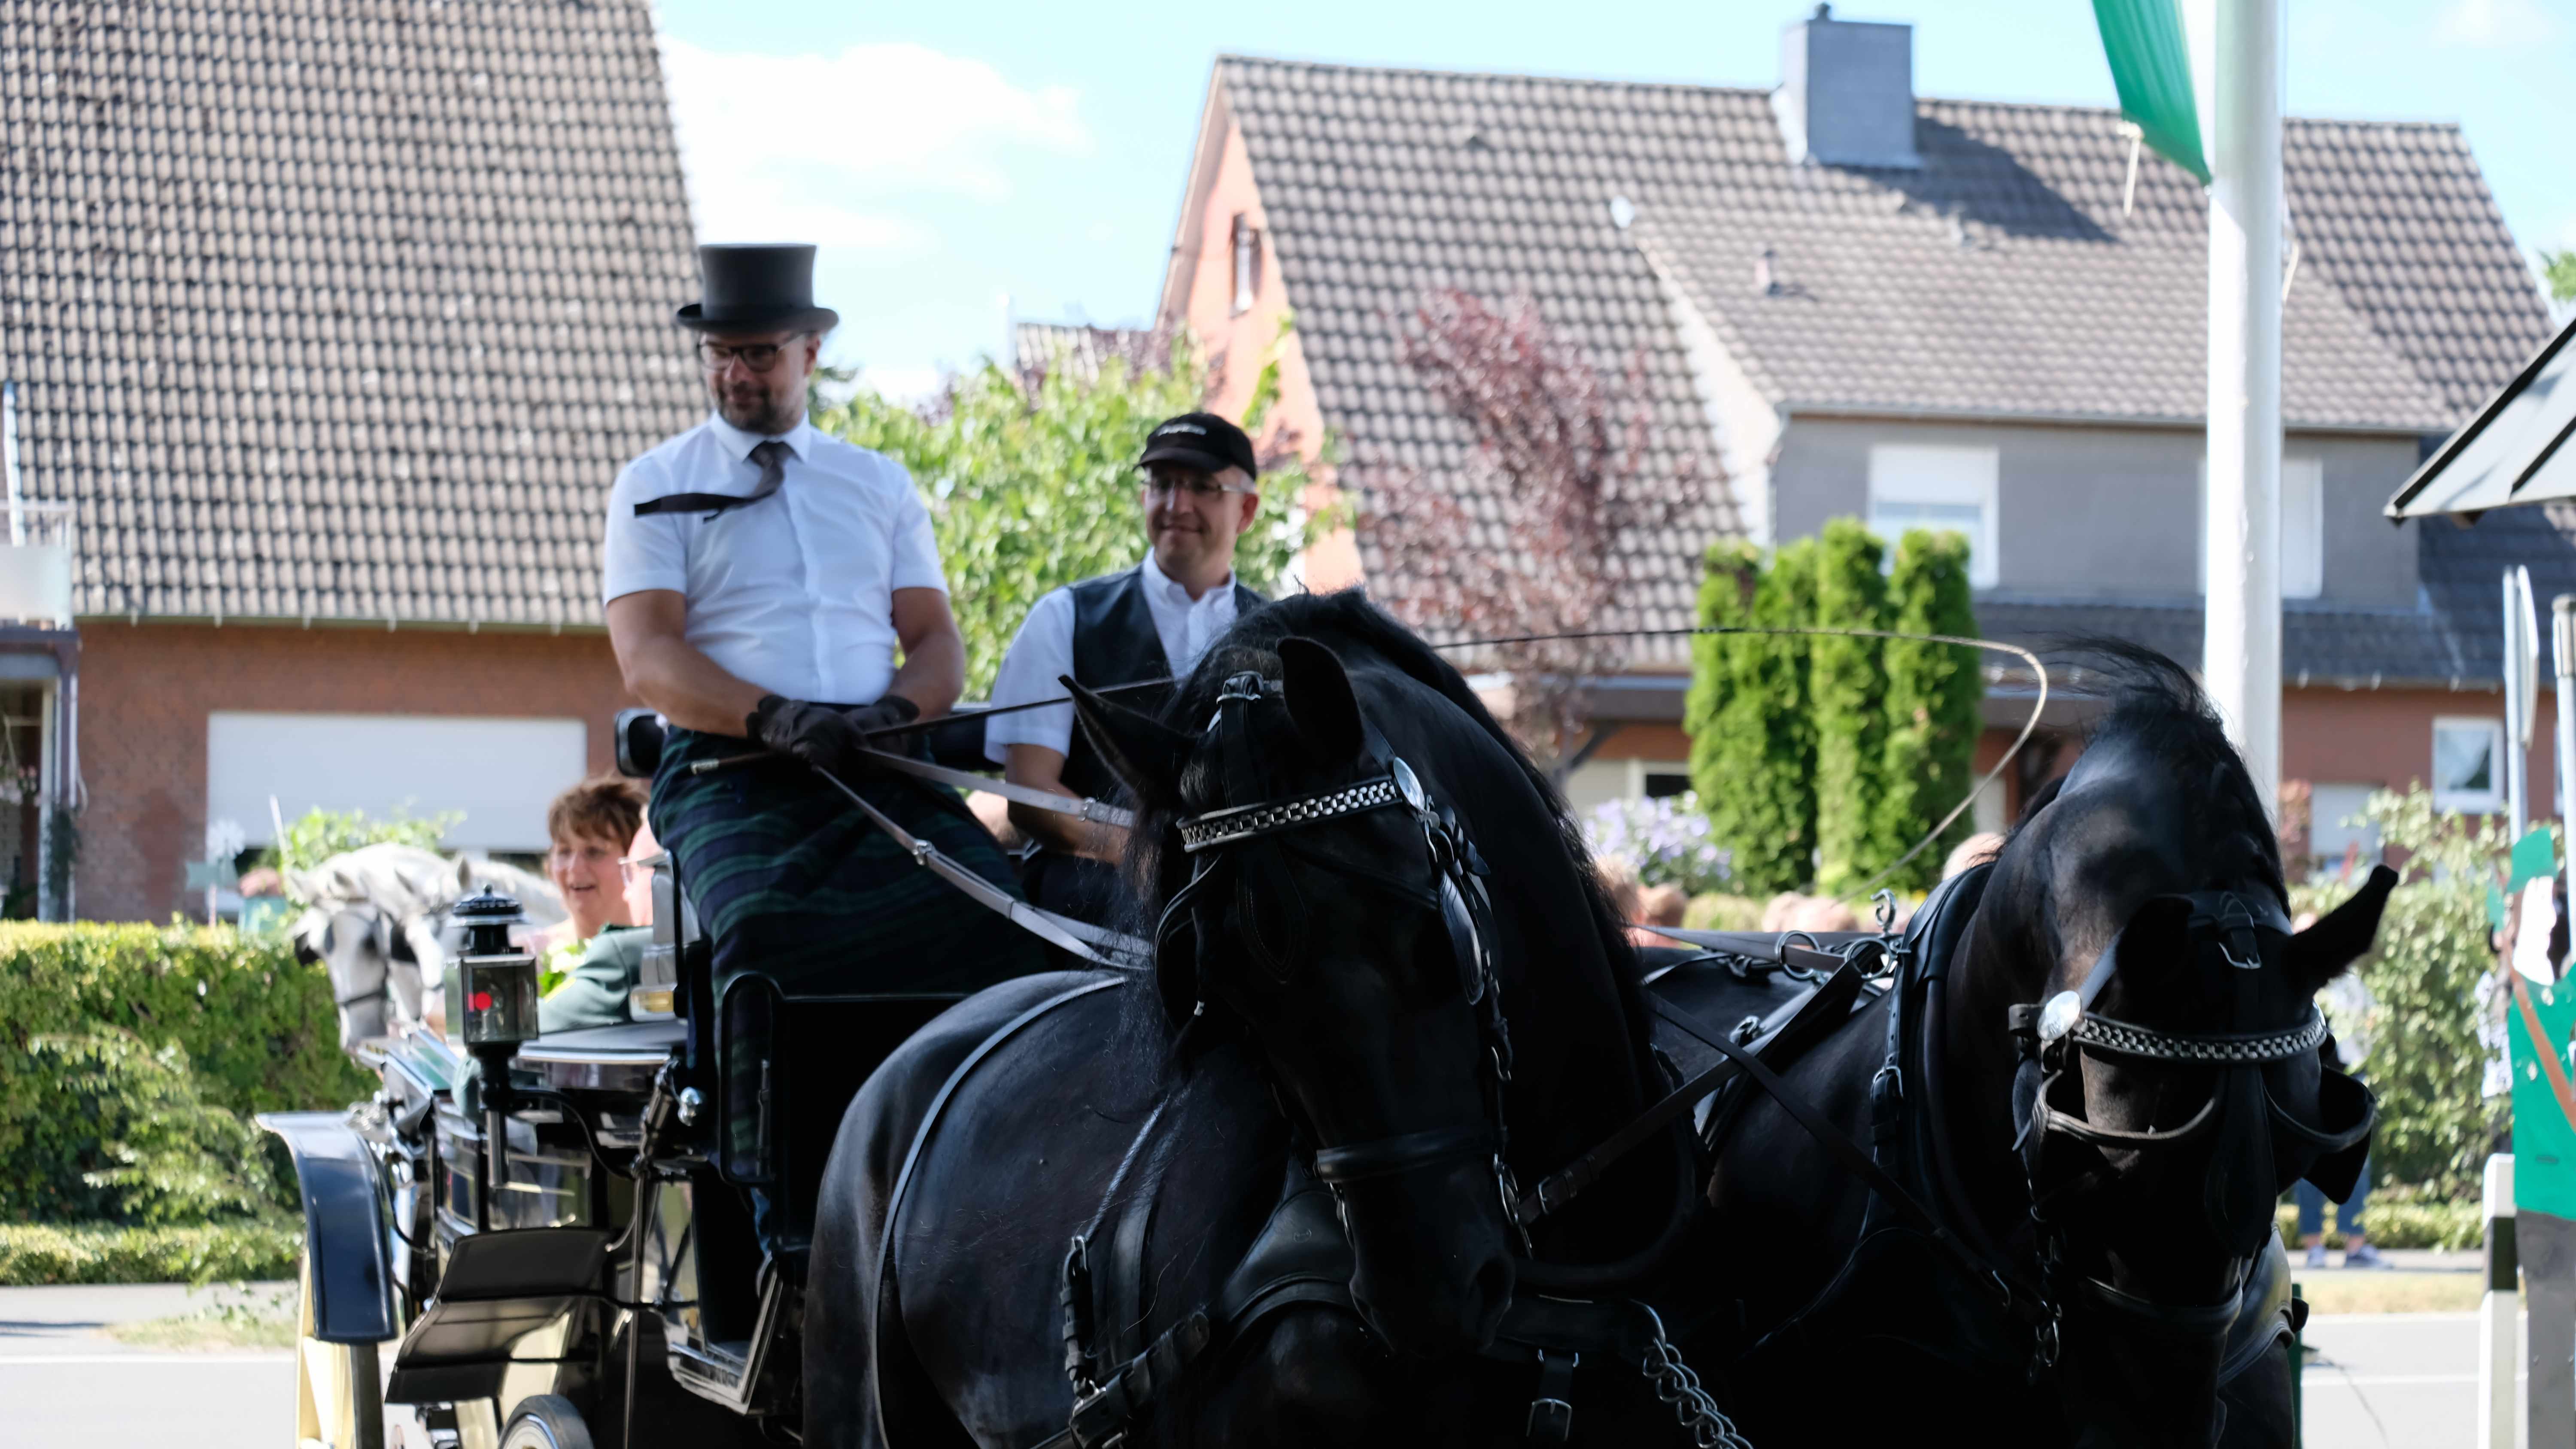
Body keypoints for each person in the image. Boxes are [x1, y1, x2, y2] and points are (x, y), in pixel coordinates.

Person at [601, 241, 1044, 1001]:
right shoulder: (653, 484)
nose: (735, 373)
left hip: (877, 755)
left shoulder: (878, 484)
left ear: (810, 351)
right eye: (719, 353)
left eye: (759, 354)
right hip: (731, 766)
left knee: (999, 917)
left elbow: (937, 641)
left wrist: (894, 714)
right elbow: (648, 656)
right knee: (764, 937)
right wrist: (774, 716)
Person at [982, 411, 1269, 925]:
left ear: (1246, 510)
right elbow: (1029, 795)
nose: (1177, 504)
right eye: (1163, 483)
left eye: (1202, 486)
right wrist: (1147, 854)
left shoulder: (1280, 638)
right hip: (1089, 908)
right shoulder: (1063, 617)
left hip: (1243, 911)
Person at [535, 778, 656, 1035]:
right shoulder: (530, 954)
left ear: (634, 862)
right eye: (564, 852)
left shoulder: (656, 953)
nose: (574, 868)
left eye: (594, 852)